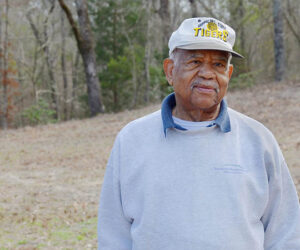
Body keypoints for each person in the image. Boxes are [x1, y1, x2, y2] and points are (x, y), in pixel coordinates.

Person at [97, 17, 300, 250]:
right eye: (195, 62)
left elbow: (286, 234)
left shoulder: (259, 140)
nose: (207, 74)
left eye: (218, 65)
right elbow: (113, 236)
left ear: (229, 74)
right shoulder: (131, 140)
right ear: (170, 70)